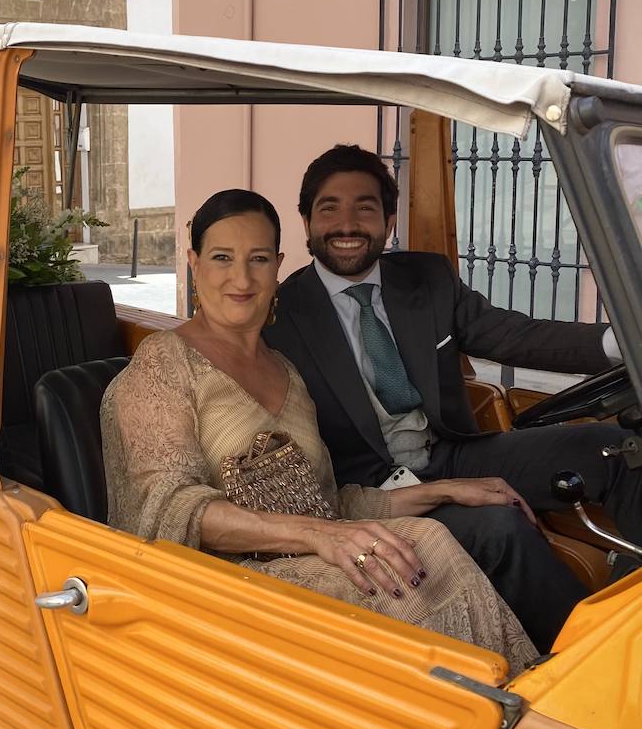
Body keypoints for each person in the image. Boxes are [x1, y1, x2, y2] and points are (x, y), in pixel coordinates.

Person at [101, 188, 537, 673]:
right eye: (222, 257)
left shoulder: (287, 371)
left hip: (305, 558)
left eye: (259, 258)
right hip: (220, 587)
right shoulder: (163, 363)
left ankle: (501, 706)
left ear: (278, 266)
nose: (241, 278)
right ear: (194, 263)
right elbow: (167, 508)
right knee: (406, 565)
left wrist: (445, 490)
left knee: (429, 536)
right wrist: (318, 536)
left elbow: (330, 504)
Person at [267, 142, 642, 653]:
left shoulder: (427, 278)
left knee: (619, 450)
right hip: (370, 487)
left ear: (389, 218)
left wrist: (622, 342)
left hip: (452, 452)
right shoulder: (281, 314)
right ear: (306, 222)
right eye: (329, 207)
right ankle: (588, 659)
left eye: (366, 207)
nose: (347, 223)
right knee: (498, 525)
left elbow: (514, 335)